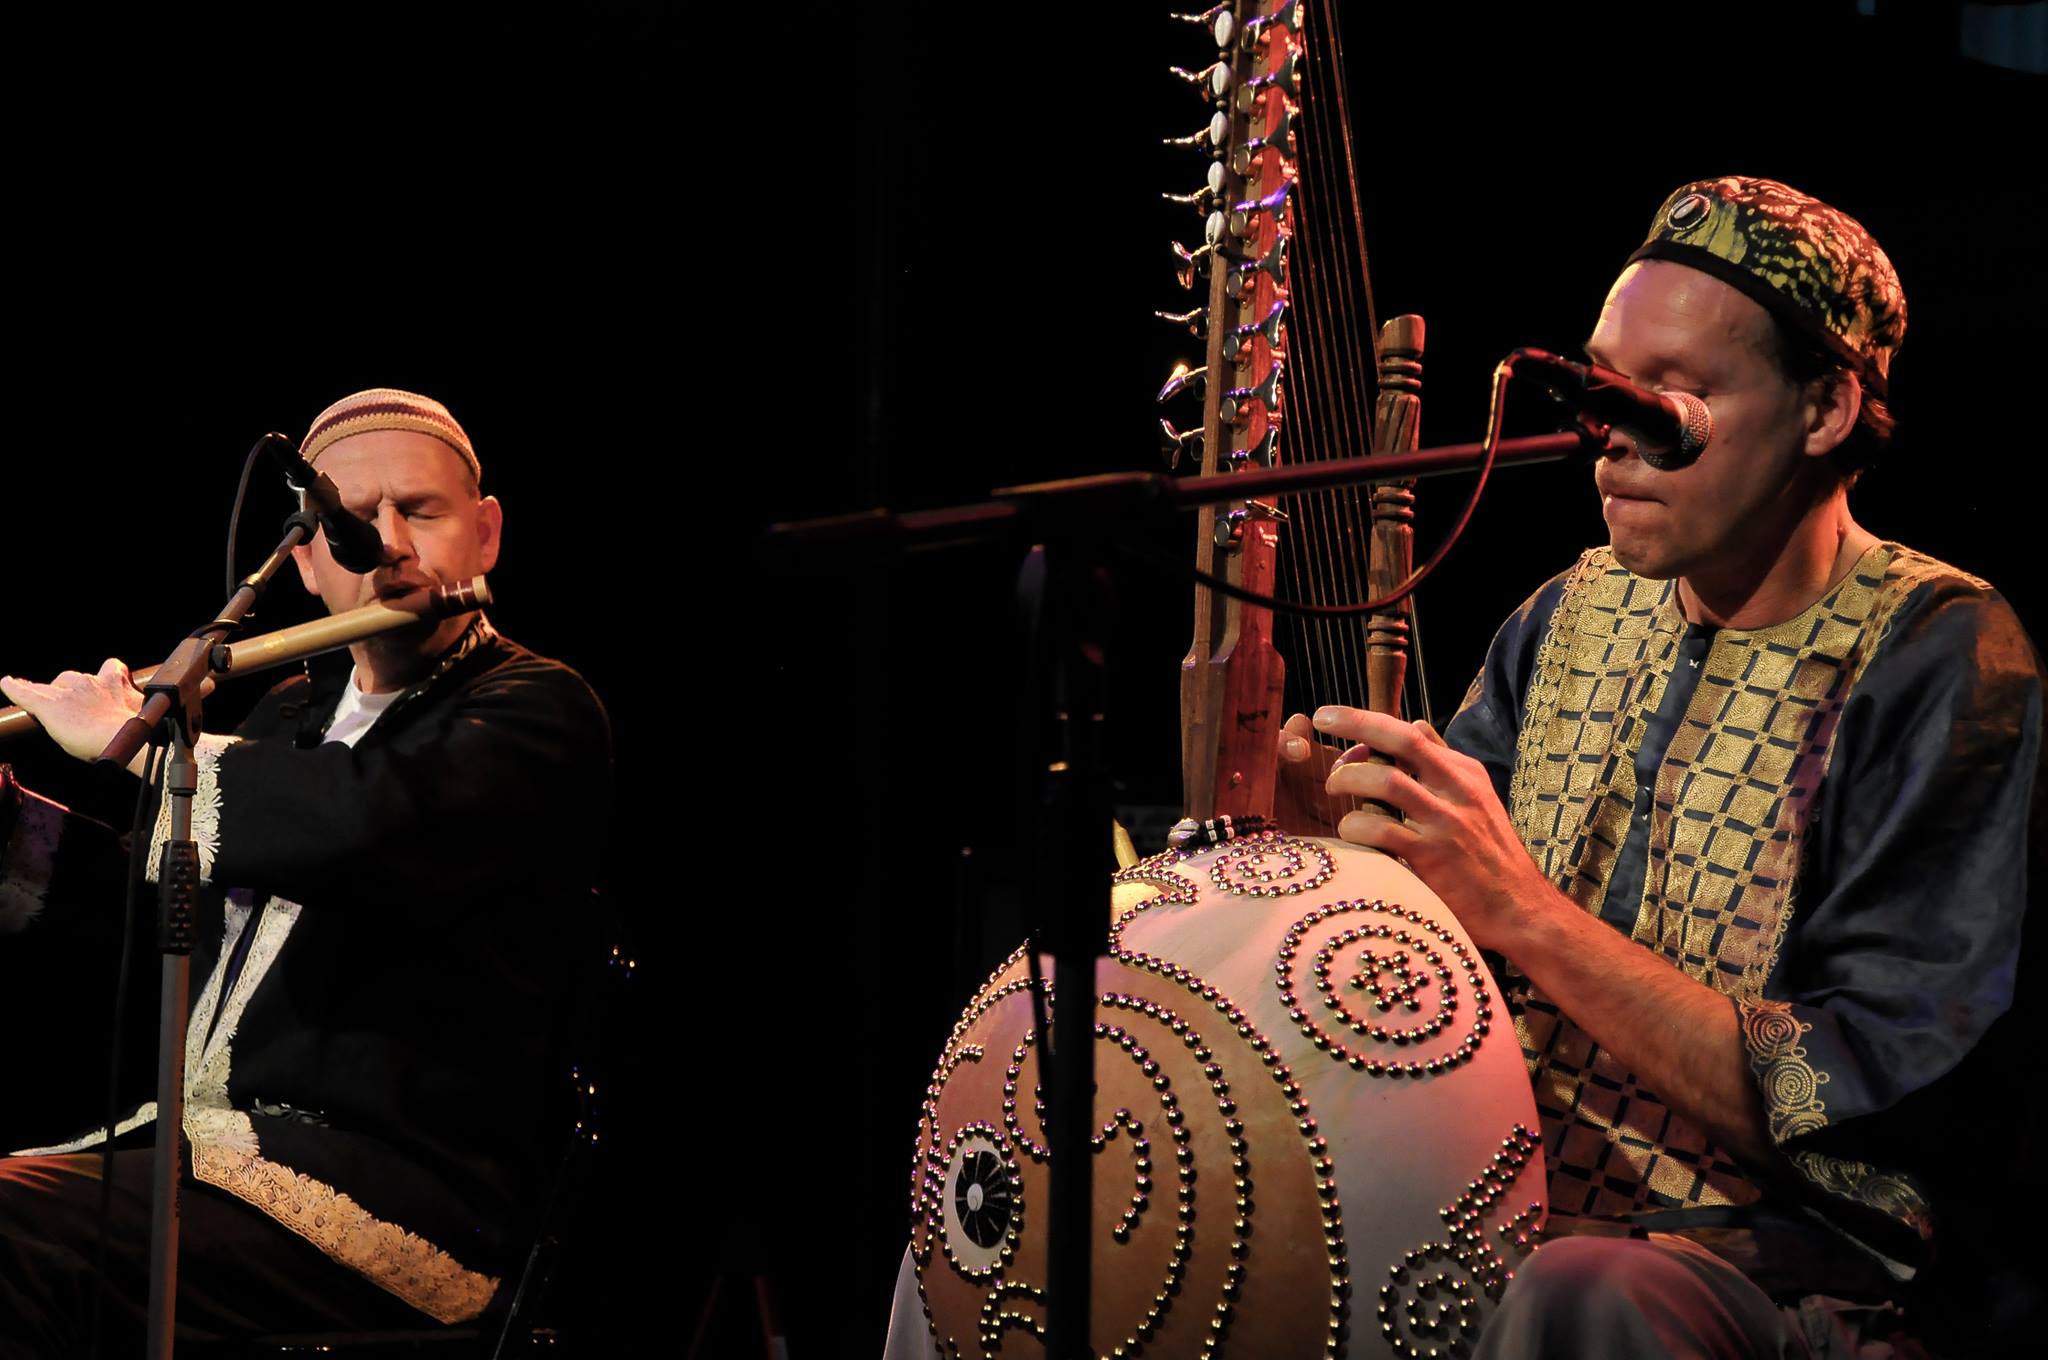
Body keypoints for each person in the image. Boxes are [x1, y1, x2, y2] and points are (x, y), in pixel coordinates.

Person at [1278, 177, 2043, 1356]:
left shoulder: (1936, 650)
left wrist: (1522, 910)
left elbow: (1861, 1089)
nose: (1612, 439)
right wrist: (1322, 855)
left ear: (1827, 406)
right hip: (1507, 1210)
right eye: (1602, 385)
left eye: (1673, 394)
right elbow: (1432, 953)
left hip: (1792, 1275)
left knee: (1586, 1295)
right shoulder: (1561, 618)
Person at [0, 388, 613, 1353]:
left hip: (385, 1202)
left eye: (420, 510)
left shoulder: (535, 708)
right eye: (351, 524)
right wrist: (12, 829)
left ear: (485, 533)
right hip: (202, 1175)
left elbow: (361, 825)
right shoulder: (290, 714)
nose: (390, 547)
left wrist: (138, 748)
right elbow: (156, 917)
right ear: (305, 558)